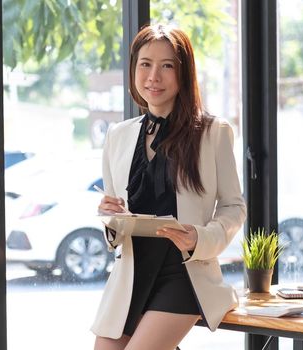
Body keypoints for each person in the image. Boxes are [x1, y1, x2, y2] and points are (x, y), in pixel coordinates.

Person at [91, 24, 246, 350]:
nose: (153, 76)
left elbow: (234, 207)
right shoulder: (118, 136)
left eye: (167, 66)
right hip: (130, 276)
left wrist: (200, 238)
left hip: (184, 273)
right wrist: (109, 216)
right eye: (145, 64)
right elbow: (116, 219)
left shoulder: (213, 132)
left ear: (183, 73)